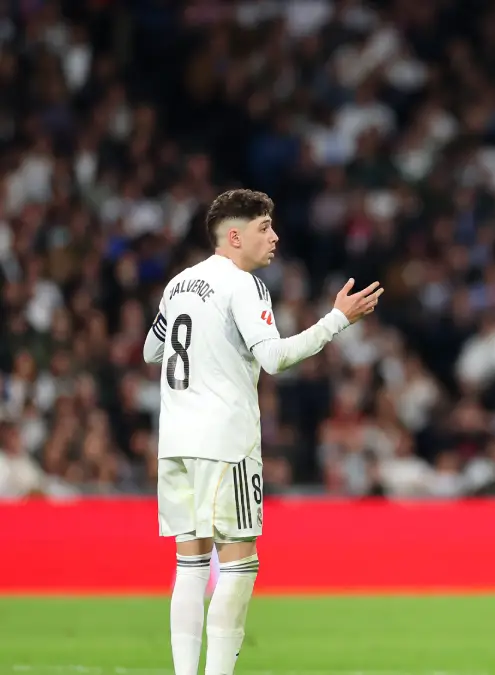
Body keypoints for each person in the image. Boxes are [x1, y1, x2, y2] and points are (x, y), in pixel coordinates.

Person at [144, 189, 383, 675]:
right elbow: (274, 358)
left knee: (189, 567)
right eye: (263, 228)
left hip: (174, 442)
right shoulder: (243, 284)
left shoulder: (179, 284)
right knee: (238, 564)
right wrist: (337, 319)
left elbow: (153, 349)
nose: (274, 237)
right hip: (224, 442)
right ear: (235, 236)